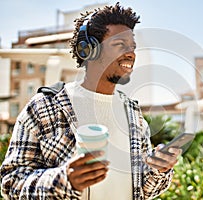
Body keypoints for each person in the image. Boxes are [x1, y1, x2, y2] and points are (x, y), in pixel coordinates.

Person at [0, 3, 181, 200]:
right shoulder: (44, 106)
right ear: (89, 50)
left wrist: (158, 169)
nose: (131, 53)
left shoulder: (133, 114)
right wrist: (63, 181)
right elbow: (11, 184)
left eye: (132, 47)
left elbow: (142, 191)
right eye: (120, 45)